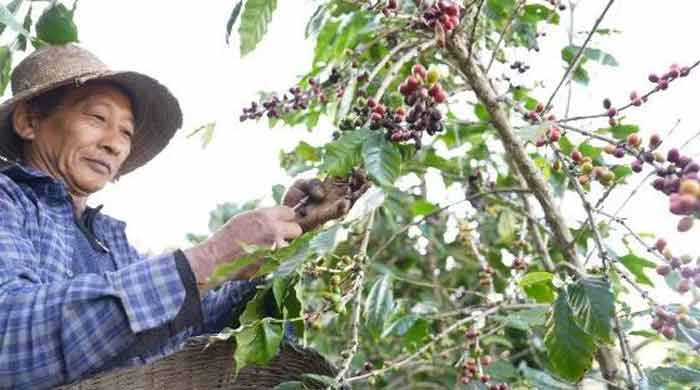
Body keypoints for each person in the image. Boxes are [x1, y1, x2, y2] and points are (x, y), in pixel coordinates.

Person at [0, 44, 357, 390]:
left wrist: (279, 237)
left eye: (126, 131)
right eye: (97, 118)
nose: (115, 143)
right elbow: (10, 339)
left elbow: (184, 327)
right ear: (29, 122)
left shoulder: (110, 242)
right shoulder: (8, 202)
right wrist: (211, 257)